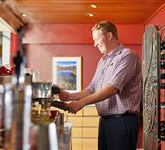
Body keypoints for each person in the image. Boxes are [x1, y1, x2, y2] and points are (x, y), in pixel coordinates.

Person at [59, 20, 142, 150]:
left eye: (97, 39)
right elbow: (92, 88)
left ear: (109, 36)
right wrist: (70, 96)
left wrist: (82, 103)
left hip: (122, 122)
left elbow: (113, 88)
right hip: (105, 121)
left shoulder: (127, 55)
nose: (94, 44)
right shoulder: (102, 60)